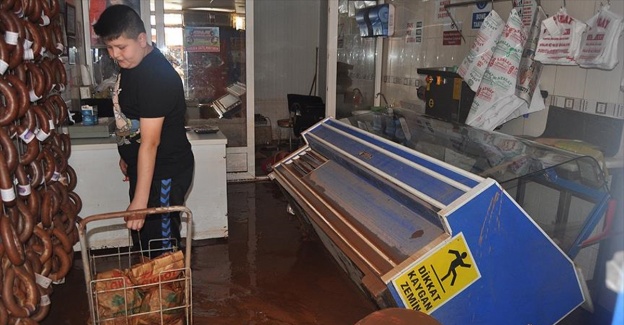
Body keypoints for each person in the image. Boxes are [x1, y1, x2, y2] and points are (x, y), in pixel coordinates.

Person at [93, 5, 194, 256]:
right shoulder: (132, 65)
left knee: (161, 251)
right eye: (109, 48)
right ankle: (154, 293)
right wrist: (126, 153)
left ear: (142, 39)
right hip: (146, 169)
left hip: (163, 172)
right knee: (145, 245)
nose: (115, 55)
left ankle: (172, 294)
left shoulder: (155, 76)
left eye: (121, 47)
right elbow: (131, 117)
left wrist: (140, 202)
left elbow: (150, 143)